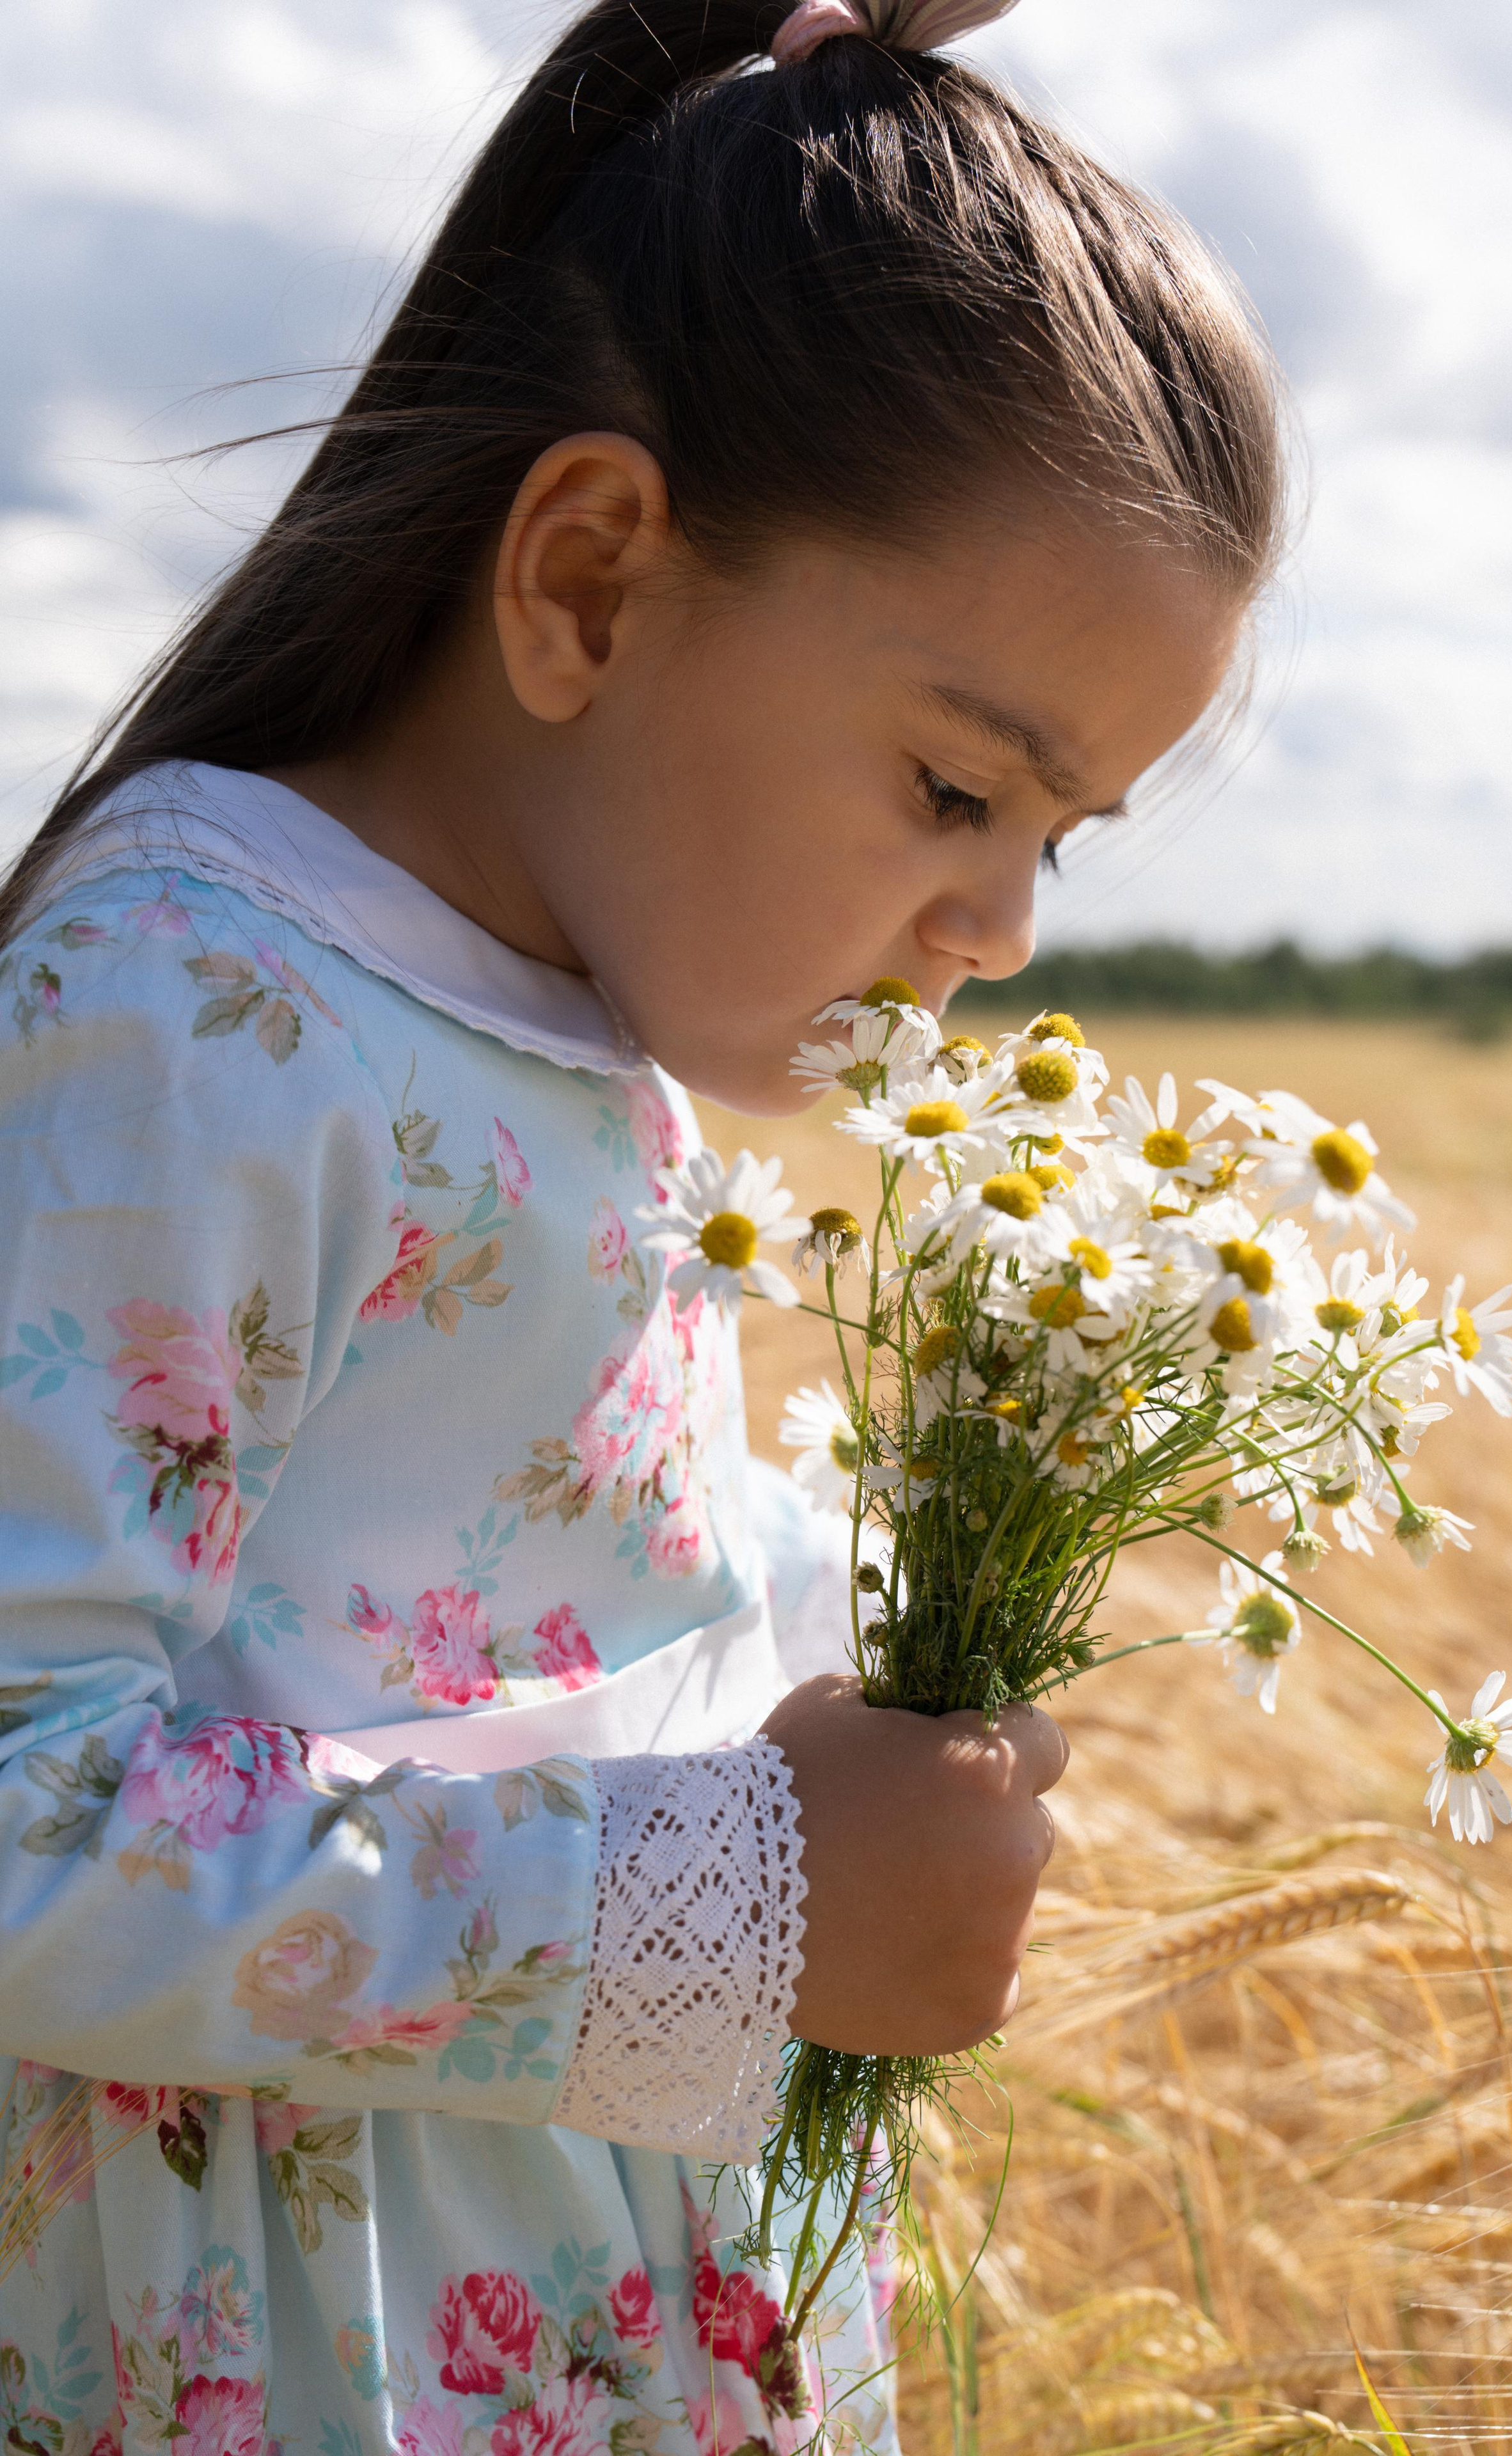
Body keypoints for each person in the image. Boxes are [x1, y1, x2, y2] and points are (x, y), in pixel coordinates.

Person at [0, 1, 1286, 2446]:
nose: (1003, 921)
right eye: (951, 784)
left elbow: (481, 1601)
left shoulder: (580, 1028)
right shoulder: (189, 1010)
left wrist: (881, 1659)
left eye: (1059, 833)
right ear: (589, 578)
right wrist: (758, 1898)